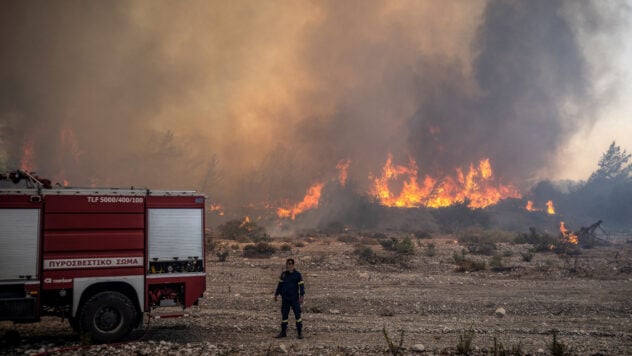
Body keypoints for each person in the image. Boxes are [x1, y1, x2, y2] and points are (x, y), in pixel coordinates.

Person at [273, 258, 305, 339]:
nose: (288, 265)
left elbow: (301, 286)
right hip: (285, 299)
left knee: (297, 316)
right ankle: (283, 332)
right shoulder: (283, 274)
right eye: (287, 264)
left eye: (290, 263)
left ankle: (299, 333)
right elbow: (280, 285)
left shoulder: (297, 275)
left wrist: (301, 296)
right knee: (284, 316)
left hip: (294, 299)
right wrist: (276, 294)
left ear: (293, 265)